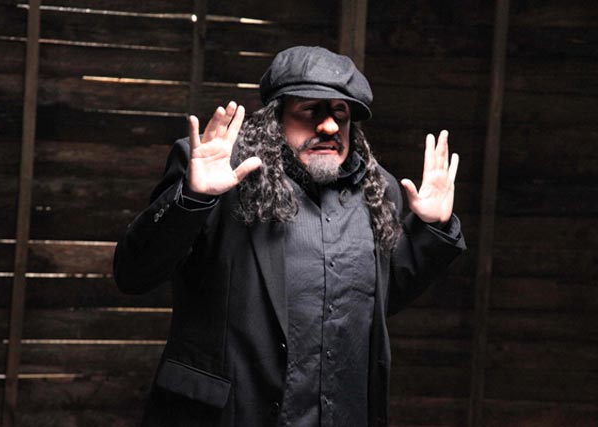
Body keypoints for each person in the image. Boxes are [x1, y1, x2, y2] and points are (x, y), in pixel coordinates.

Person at [113, 46, 466, 427]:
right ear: (276, 118)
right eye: (311, 110)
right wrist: (193, 198)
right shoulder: (220, 174)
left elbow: (372, 302)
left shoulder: (378, 191)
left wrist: (432, 230)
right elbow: (133, 273)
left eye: (340, 113)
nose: (329, 127)